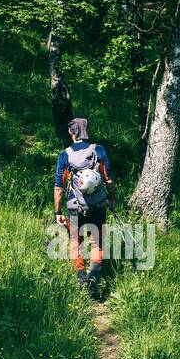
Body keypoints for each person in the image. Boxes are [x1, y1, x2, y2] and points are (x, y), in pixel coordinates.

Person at [54, 117, 116, 298]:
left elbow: (59, 187)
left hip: (74, 207)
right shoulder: (99, 150)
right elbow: (108, 179)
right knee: (97, 242)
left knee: (76, 242)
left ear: (72, 132)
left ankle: (81, 278)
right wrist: (112, 200)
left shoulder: (65, 155)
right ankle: (94, 278)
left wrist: (58, 212)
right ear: (85, 131)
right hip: (97, 206)